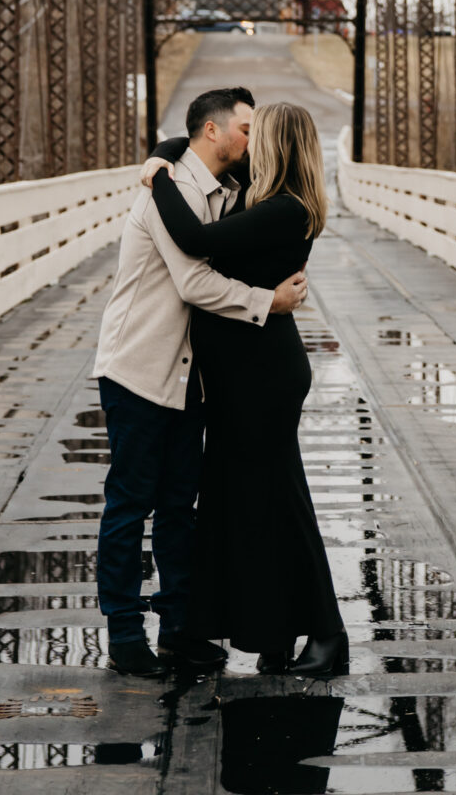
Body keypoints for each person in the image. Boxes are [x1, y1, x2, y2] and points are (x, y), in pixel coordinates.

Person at [92, 86, 309, 678]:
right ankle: (125, 632)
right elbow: (193, 283)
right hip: (140, 366)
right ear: (211, 132)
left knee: (179, 508)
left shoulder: (232, 192)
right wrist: (269, 302)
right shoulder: (169, 194)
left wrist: (161, 148)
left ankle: (180, 630)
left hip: (191, 377)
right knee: (131, 503)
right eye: (245, 128)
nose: (253, 139)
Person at [144, 101, 347, 678]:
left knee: (281, 503)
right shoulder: (267, 200)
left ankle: (329, 635)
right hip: (245, 376)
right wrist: (168, 150)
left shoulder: (284, 210)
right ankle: (273, 635)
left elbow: (190, 236)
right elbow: (206, 162)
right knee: (250, 507)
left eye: (260, 133)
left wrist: (156, 174)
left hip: (262, 380)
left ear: (278, 144)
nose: (249, 141)